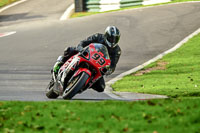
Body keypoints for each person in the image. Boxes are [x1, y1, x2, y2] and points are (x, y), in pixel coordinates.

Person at [53, 26, 121, 92]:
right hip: (87, 54)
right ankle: (60, 63)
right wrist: (80, 48)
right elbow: (84, 42)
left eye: (115, 39)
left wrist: (109, 70)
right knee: (69, 50)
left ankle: (84, 82)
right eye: (111, 38)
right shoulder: (98, 37)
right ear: (106, 35)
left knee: (101, 88)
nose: (113, 41)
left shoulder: (117, 50)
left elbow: (113, 65)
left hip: (98, 65)